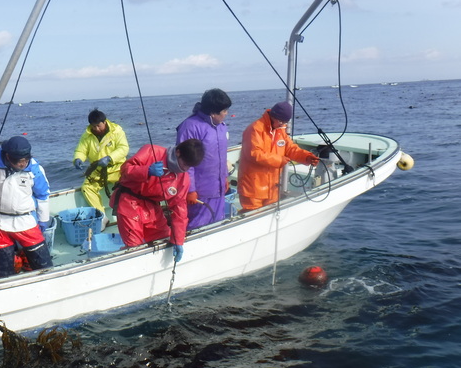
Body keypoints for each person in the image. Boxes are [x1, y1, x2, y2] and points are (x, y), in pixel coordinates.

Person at [0, 135, 53, 279]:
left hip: (26, 222)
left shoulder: (35, 169)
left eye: (26, 160)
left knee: (43, 264)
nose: (23, 164)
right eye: (19, 161)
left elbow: (43, 195)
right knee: (2, 271)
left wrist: (43, 219)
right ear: (8, 156)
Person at [109, 139, 205, 263]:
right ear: (178, 153)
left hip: (152, 207)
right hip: (129, 201)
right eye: (185, 163)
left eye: (189, 166)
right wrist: (146, 170)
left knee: (165, 237)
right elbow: (125, 170)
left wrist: (178, 240)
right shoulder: (151, 151)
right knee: (134, 247)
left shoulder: (183, 179)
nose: (185, 168)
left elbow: (179, 210)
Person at [237, 101, 321, 211]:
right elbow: (254, 154)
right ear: (273, 116)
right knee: (253, 220)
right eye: (281, 122)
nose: (283, 125)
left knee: (270, 219)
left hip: (272, 189)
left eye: (285, 122)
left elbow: (290, 148)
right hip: (253, 189)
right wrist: (279, 160)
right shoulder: (255, 129)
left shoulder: (280, 131)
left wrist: (306, 157)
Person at [176, 88, 232, 229]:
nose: (226, 114)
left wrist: (224, 177)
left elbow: (221, 156)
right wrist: (190, 190)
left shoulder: (221, 127)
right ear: (213, 113)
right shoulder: (190, 127)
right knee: (197, 227)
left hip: (218, 189)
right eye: (224, 111)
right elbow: (184, 162)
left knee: (218, 223)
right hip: (200, 192)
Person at [72, 109, 129, 215]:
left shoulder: (117, 131)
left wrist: (109, 158)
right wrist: (78, 159)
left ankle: (127, 212)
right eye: (94, 126)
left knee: (130, 184)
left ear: (105, 122)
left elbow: (123, 148)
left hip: (117, 168)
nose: (97, 129)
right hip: (98, 171)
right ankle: (102, 216)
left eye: (99, 125)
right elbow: (81, 150)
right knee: (87, 188)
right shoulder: (87, 136)